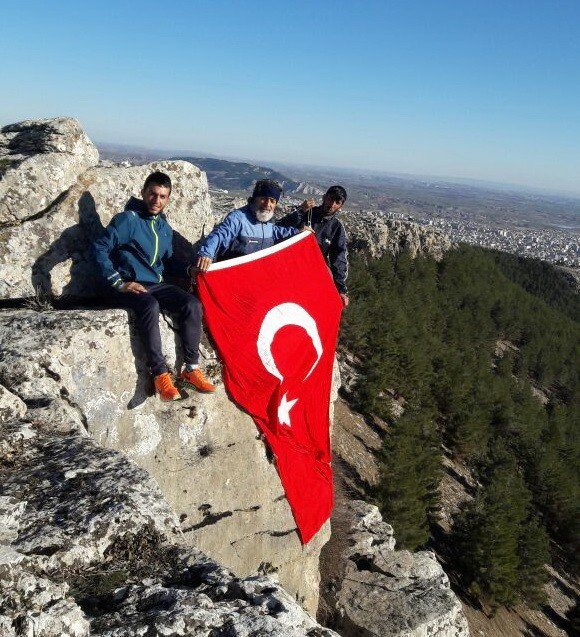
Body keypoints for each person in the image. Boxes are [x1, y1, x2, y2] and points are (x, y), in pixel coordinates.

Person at [92, 171, 216, 401]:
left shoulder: (164, 229)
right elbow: (100, 247)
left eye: (162, 196)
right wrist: (118, 282)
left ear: (168, 199)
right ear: (143, 193)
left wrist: (190, 270)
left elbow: (168, 261)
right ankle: (159, 374)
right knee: (149, 305)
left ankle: (190, 368)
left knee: (192, 304)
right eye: (152, 194)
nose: (156, 200)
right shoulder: (127, 220)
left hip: (154, 283)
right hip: (126, 285)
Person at [196, 179, 302, 271]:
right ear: (255, 198)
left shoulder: (267, 223)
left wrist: (299, 232)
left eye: (272, 201)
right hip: (234, 276)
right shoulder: (238, 218)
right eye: (263, 198)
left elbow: (277, 231)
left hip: (256, 278)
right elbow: (219, 234)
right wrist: (206, 253)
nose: (267, 204)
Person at [278, 185, 349, 307]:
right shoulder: (306, 213)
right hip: (289, 269)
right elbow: (279, 228)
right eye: (330, 199)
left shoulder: (336, 227)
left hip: (313, 274)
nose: (332, 205)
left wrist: (341, 289)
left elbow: (338, 258)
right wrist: (301, 211)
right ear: (324, 197)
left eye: (337, 202)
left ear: (341, 206)